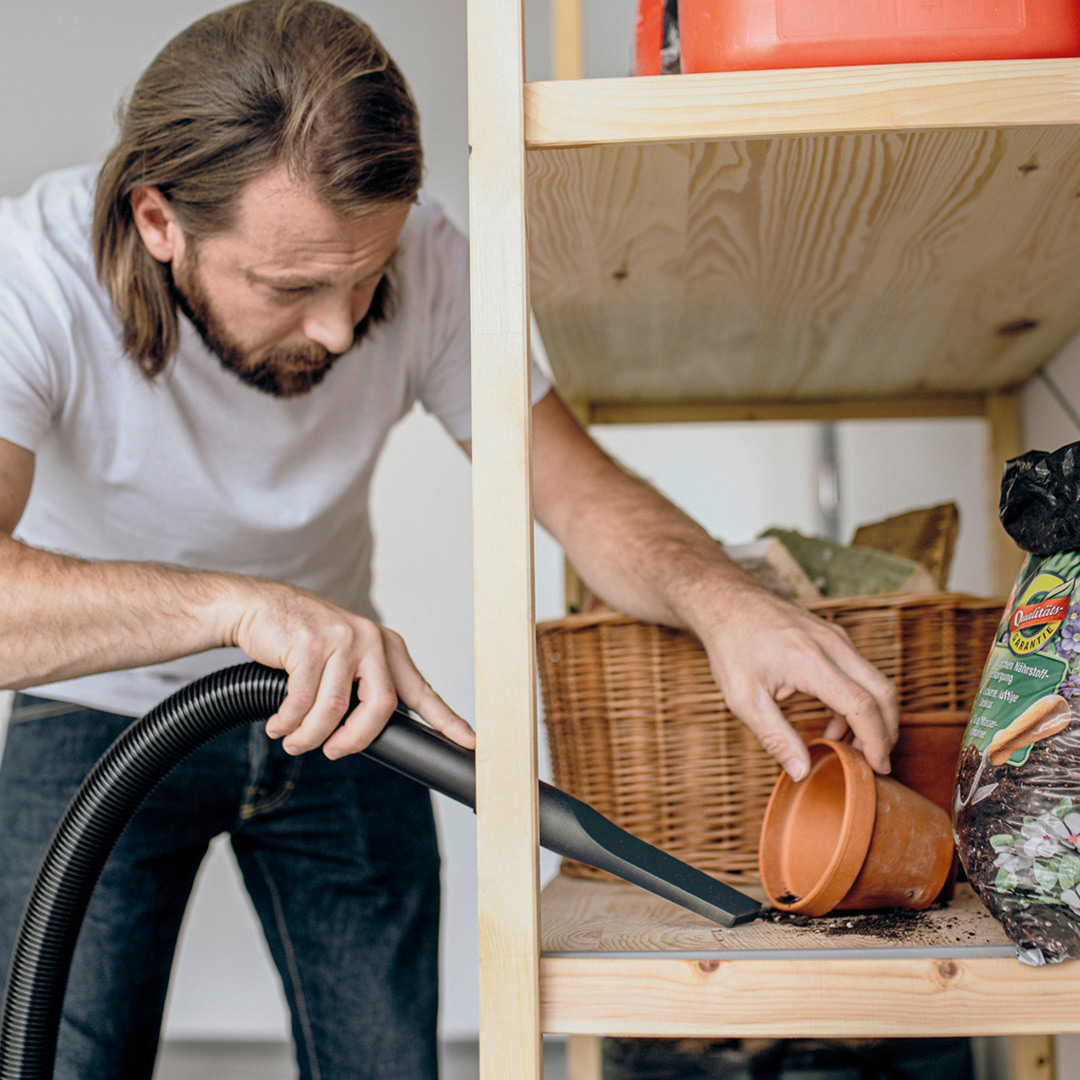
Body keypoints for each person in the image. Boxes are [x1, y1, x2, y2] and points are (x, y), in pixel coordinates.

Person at [0, 1, 898, 1077]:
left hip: (338, 710)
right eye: (291, 287)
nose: (339, 329)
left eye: (364, 277)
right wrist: (239, 607)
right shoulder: (31, 279)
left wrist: (729, 604)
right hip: (96, 708)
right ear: (158, 221)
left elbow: (580, 497)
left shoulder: (430, 260)